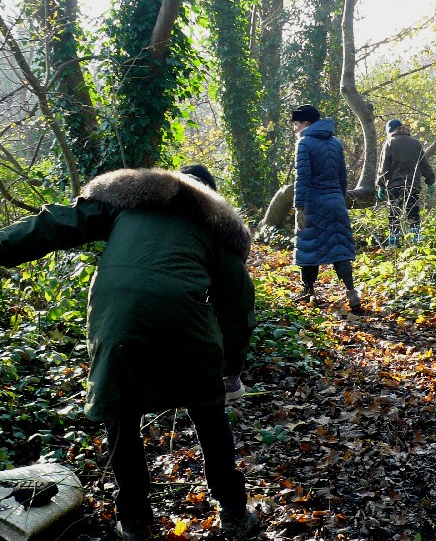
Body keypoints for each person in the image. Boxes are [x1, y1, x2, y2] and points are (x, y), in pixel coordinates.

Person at [0, 164, 259, 541]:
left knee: (122, 416)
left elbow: (55, 224)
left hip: (115, 315)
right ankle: (234, 513)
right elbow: (237, 311)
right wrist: (230, 373)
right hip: (184, 318)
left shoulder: (127, 202)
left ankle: (135, 522)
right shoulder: (217, 228)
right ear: (211, 198)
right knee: (208, 411)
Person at [291, 104, 361, 311]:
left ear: (306, 123)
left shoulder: (304, 143)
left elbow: (302, 178)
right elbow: (342, 177)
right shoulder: (335, 142)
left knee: (309, 248)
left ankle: (308, 290)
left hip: (314, 204)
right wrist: (338, 199)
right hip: (335, 203)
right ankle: (351, 292)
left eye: (296, 124)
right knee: (339, 249)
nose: (295, 128)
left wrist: (299, 207)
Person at [376, 118, 436, 246]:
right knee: (413, 213)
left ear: (390, 131)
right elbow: (424, 165)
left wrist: (381, 185)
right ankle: (416, 242)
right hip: (413, 186)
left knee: (394, 214)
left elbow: (383, 167)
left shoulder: (389, 143)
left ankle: (393, 243)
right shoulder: (415, 143)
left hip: (394, 187)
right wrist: (430, 182)